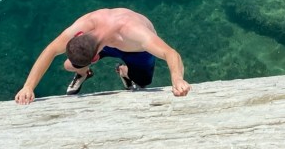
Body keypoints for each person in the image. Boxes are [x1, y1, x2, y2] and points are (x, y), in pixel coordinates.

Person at [14, 8, 191, 104]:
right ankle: (84, 73)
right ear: (79, 35)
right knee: (69, 65)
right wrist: (28, 86)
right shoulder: (86, 23)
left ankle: (124, 71)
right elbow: (51, 50)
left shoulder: (133, 32)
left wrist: (177, 79)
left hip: (136, 49)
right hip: (105, 45)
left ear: (94, 59)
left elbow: (170, 53)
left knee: (143, 82)